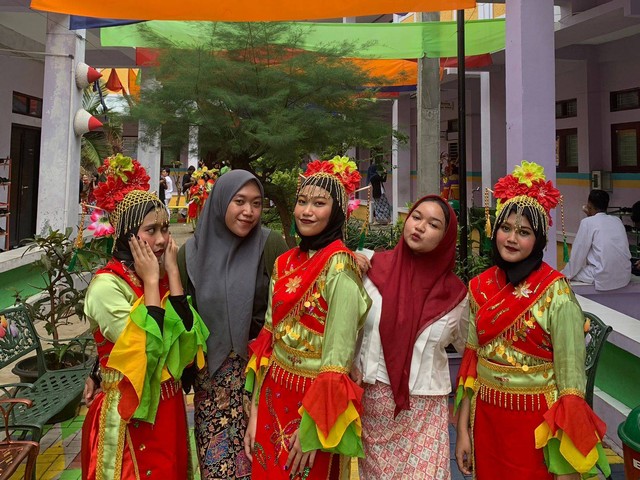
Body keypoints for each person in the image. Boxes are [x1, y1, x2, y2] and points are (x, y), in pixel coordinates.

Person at [455, 161, 610, 480]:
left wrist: (567, 465)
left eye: (524, 232)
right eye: (506, 228)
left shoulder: (557, 294)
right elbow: (471, 361)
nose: (511, 238)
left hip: (537, 424)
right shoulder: (480, 286)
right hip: (487, 418)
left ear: (538, 240)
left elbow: (570, 381)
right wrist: (462, 431)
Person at [244, 156, 372, 480]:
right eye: (302, 201)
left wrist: (313, 429)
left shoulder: (340, 268)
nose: (306, 211)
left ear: (337, 213)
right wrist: (255, 411)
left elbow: (337, 359)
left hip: (313, 406)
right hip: (274, 393)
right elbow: (268, 341)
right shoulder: (285, 262)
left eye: (319, 203)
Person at [81, 155, 209, 480]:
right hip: (129, 415)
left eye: (164, 229)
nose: (163, 239)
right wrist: (152, 282)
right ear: (126, 236)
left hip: (167, 410)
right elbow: (143, 355)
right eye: (150, 230)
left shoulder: (160, 277)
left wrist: (172, 275)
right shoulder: (106, 287)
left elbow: (189, 343)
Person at [178, 169, 288, 479]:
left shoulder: (270, 246)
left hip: (261, 383)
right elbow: (181, 319)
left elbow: (290, 303)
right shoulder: (189, 255)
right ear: (220, 201)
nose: (249, 212)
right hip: (211, 389)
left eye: (256, 203)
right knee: (218, 470)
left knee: (265, 467)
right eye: (239, 201)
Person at [353, 195, 469, 479]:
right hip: (374, 404)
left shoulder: (457, 296)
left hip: (424, 409)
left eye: (433, 224)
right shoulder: (368, 268)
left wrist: (464, 426)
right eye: (416, 217)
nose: (419, 227)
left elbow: (473, 354)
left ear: (445, 237)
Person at [562, 189, 631, 290]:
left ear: (589, 205)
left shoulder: (587, 222)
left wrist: (563, 275)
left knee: (572, 272)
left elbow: (578, 255)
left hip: (604, 278)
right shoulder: (617, 220)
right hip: (625, 275)